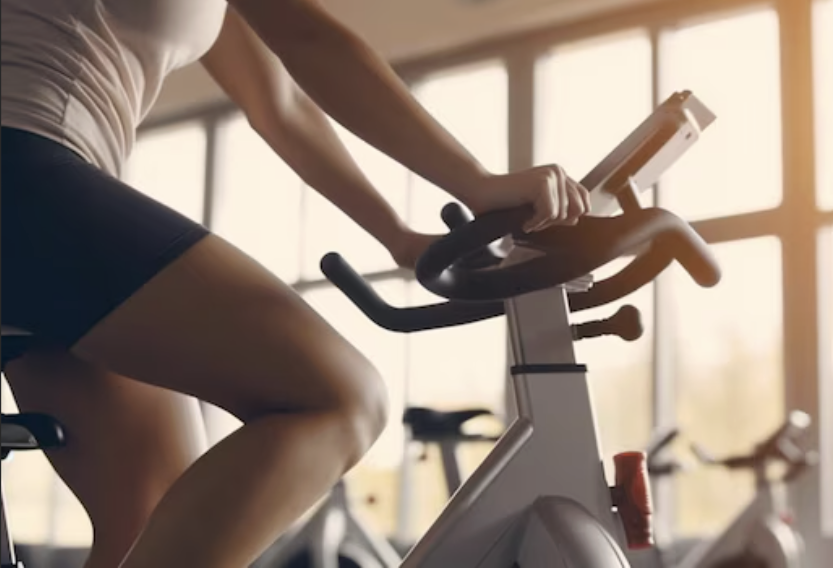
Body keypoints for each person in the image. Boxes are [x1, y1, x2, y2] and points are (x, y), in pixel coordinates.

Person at [0, 0, 591, 566]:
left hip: (35, 217)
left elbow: (281, 104)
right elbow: (306, 35)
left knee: (154, 518)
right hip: (25, 179)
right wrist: (475, 181)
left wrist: (398, 236)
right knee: (341, 397)